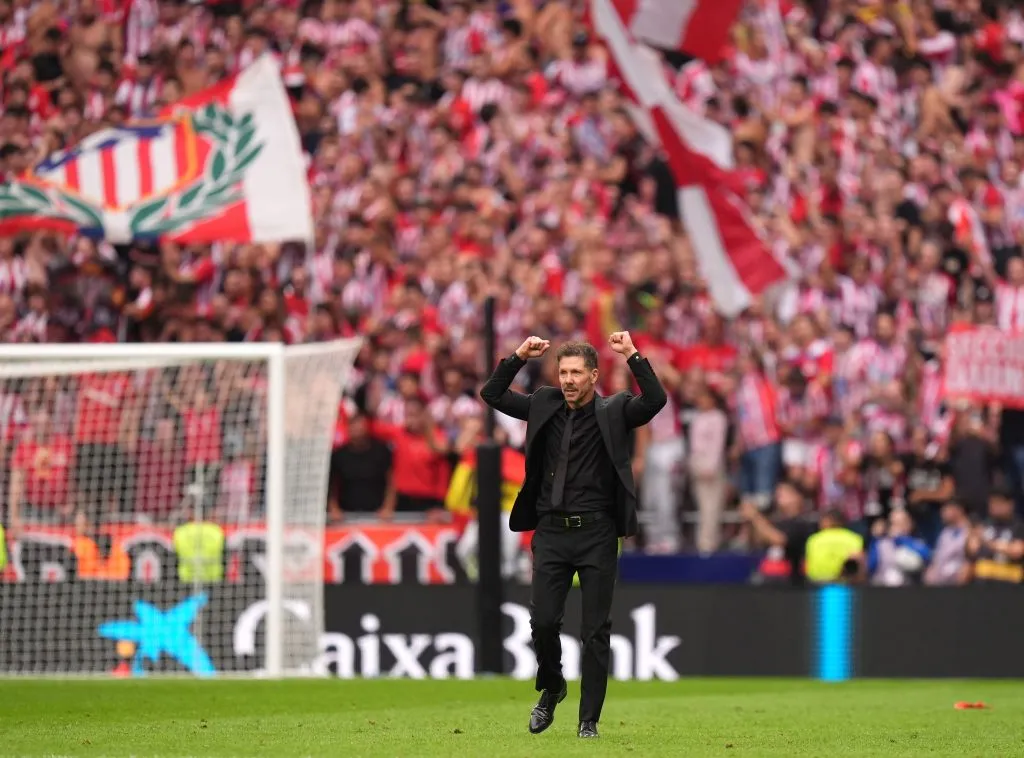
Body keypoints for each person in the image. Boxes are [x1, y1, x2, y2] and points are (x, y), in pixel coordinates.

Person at [480, 332, 666, 739]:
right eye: (563, 372)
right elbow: (492, 394)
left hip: (598, 532)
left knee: (595, 630)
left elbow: (654, 401)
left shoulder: (615, 410)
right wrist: (517, 357)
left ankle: (588, 721)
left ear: (593, 376)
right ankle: (552, 687)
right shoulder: (544, 402)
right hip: (551, 532)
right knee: (543, 621)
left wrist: (633, 355)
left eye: (576, 373)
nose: (567, 380)